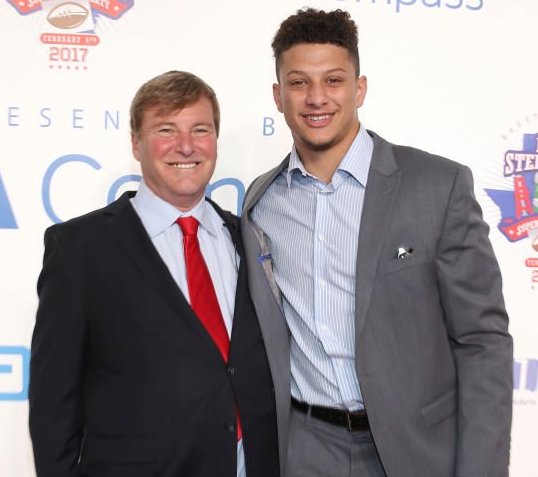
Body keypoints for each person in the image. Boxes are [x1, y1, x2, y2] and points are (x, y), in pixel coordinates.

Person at [241, 8, 513, 477]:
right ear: (278, 95)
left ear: (359, 88)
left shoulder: (437, 186)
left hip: (416, 449)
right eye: (299, 82)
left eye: (333, 80)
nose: (316, 98)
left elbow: (482, 342)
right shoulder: (261, 203)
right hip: (306, 450)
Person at [29, 70, 279, 477]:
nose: (186, 145)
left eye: (200, 129)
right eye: (166, 129)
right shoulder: (79, 249)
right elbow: (53, 402)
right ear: (136, 143)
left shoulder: (251, 238)